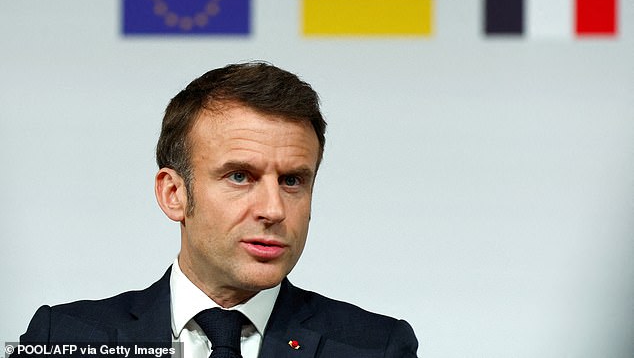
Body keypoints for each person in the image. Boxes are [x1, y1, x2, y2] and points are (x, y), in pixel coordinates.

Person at [16, 62, 419, 357]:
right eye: (240, 177)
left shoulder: (375, 347)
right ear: (174, 193)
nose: (273, 209)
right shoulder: (65, 339)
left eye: (292, 180)